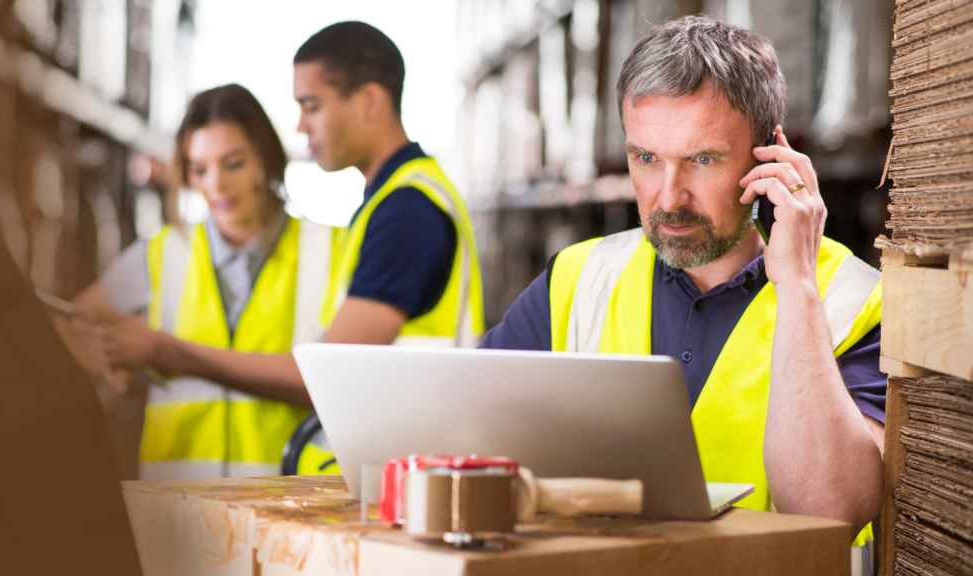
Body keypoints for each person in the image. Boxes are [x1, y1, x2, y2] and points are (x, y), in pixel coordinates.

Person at [481, 16, 885, 552]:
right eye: (646, 158)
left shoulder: (854, 301)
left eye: (701, 159)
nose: (668, 197)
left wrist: (796, 287)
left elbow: (827, 513)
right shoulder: (576, 280)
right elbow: (471, 447)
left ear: (771, 155)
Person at [73, 84, 336, 480]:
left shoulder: (329, 247)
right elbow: (71, 323)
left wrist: (161, 350)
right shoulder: (164, 252)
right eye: (199, 169)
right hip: (178, 511)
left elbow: (334, 380)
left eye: (233, 164)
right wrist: (107, 362)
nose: (215, 185)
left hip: (289, 507)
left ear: (265, 159)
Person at [293, 22, 483, 350]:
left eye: (312, 107)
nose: (300, 126)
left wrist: (183, 355)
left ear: (370, 101)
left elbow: (334, 371)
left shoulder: (407, 211)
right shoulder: (392, 198)